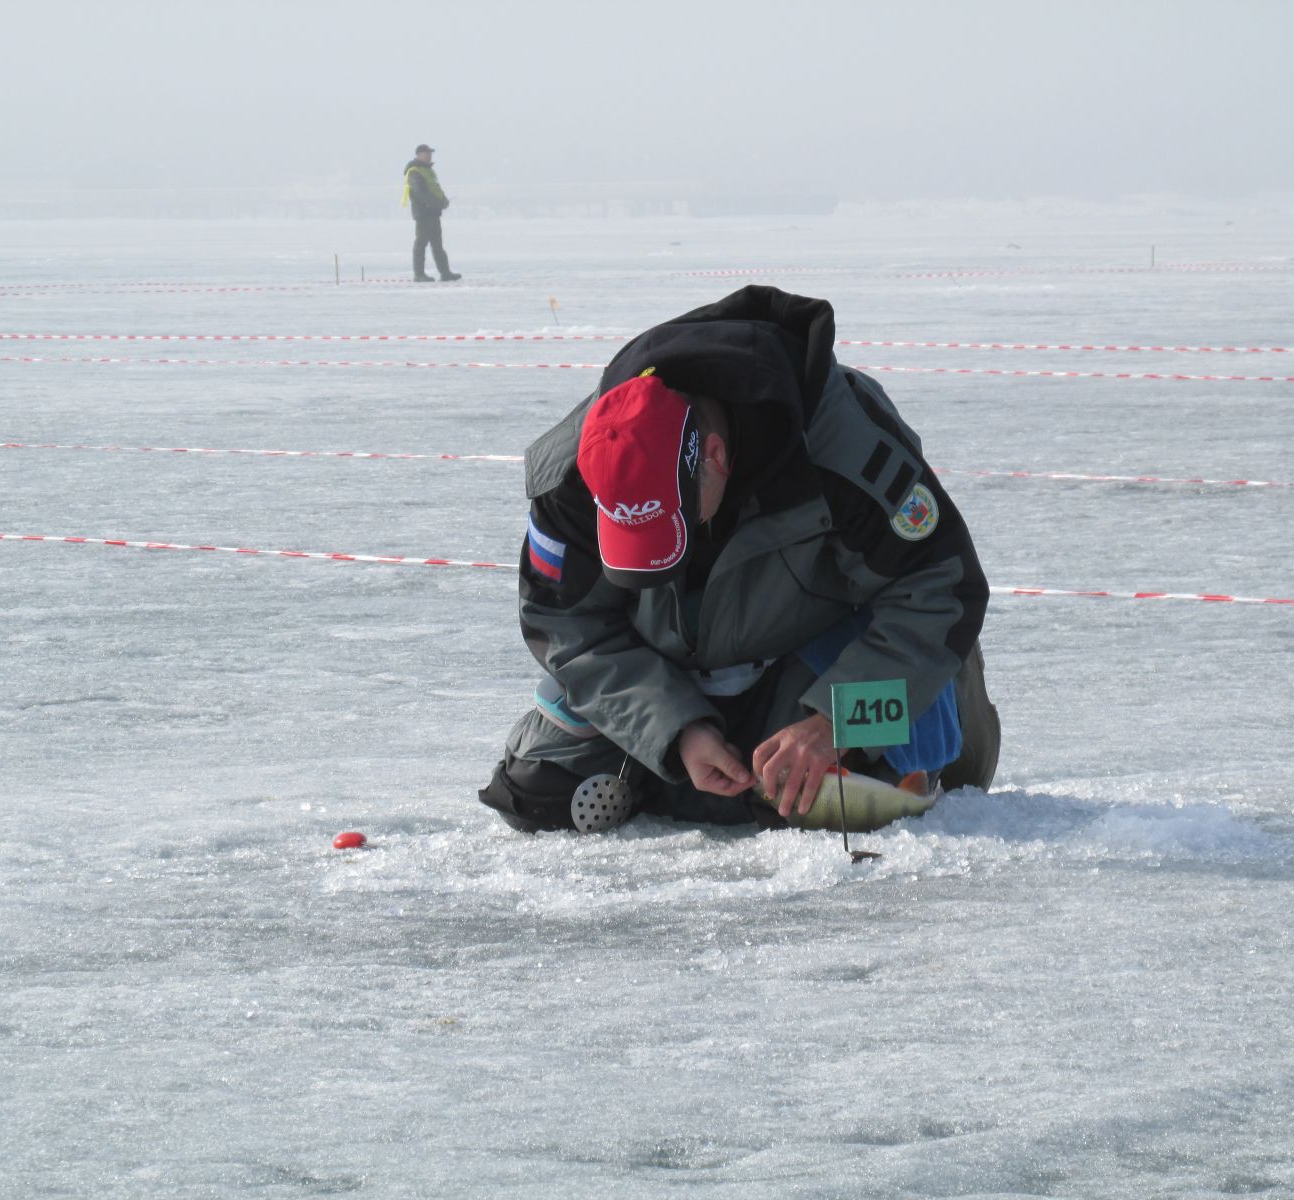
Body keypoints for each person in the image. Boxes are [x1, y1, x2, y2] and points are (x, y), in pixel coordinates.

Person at [478, 285, 1001, 833]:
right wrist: (675, 730)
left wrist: (832, 724)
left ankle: (939, 725)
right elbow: (565, 626)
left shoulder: (845, 449)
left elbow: (942, 590)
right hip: (668, 669)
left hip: (815, 661)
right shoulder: (577, 476)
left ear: (716, 457)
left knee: (826, 798)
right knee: (539, 793)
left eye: (673, 529)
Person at [401, 144, 460, 282]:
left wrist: (443, 200)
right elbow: (420, 193)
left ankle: (445, 273)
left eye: (430, 154)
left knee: (437, 245)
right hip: (423, 214)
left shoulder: (429, 171)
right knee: (421, 243)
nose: (429, 156)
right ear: (418, 155)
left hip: (434, 213)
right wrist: (437, 202)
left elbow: (435, 188)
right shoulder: (414, 171)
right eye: (426, 154)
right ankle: (419, 274)